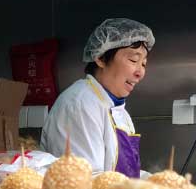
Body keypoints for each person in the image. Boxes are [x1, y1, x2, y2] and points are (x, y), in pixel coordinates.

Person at [41, 18, 154, 177]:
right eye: (133, 60)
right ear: (100, 58)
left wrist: (157, 184)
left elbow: (128, 174)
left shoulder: (120, 113)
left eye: (143, 64)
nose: (140, 72)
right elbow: (86, 180)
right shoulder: (79, 104)